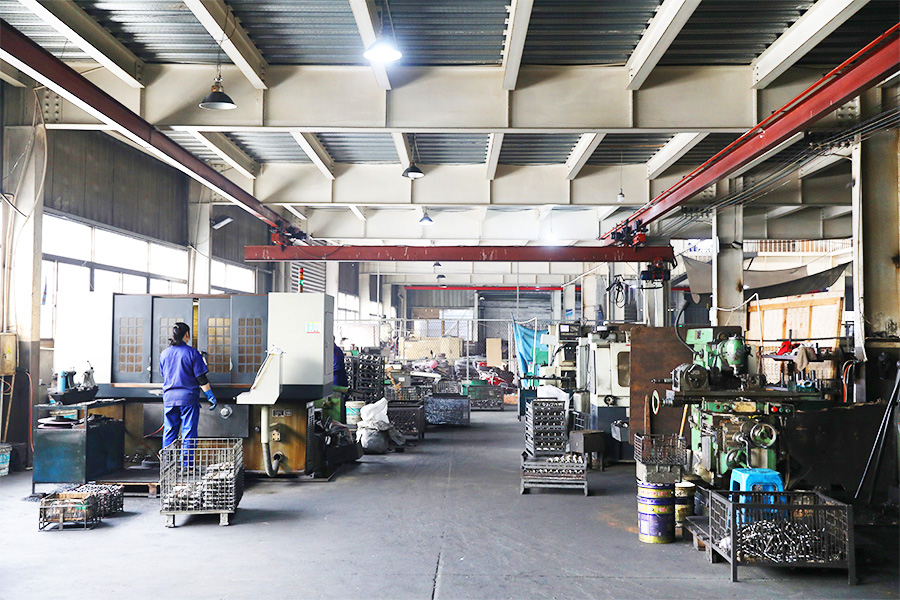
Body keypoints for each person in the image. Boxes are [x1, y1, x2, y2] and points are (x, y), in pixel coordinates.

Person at [159, 322, 217, 447]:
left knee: (169, 431)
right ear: (187, 334)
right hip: (188, 398)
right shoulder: (192, 353)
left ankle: (167, 459)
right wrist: (210, 395)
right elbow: (201, 378)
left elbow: (164, 374)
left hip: (169, 398)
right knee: (189, 432)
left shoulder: (164, 354)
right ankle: (187, 460)